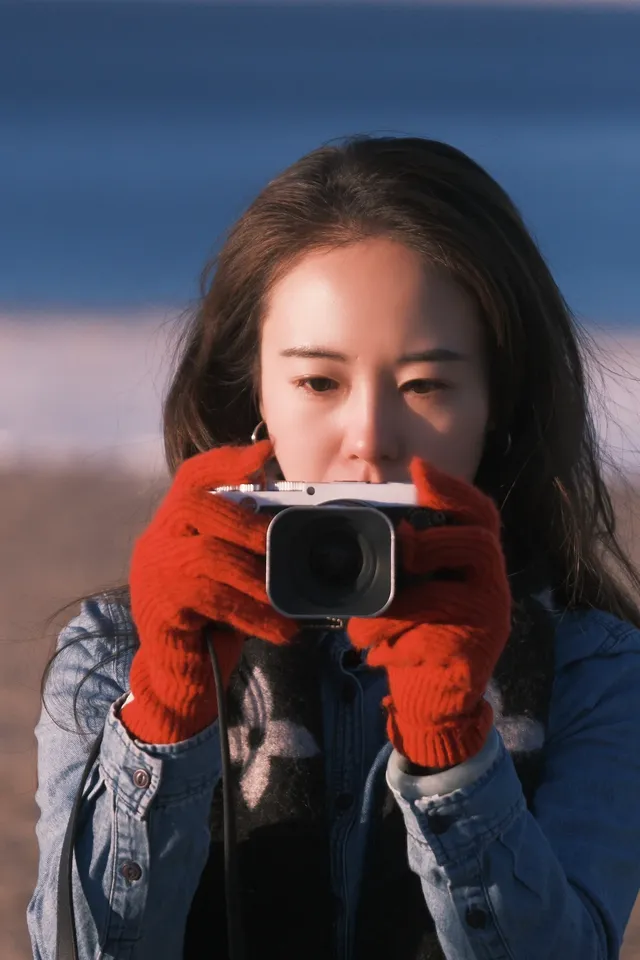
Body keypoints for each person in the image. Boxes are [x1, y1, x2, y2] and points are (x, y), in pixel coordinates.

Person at [28, 136, 640, 960]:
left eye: (425, 385)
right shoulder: (115, 655)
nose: (370, 437)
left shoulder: (593, 671)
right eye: (319, 382)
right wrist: (168, 710)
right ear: (255, 389)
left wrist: (453, 749)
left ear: (499, 401)